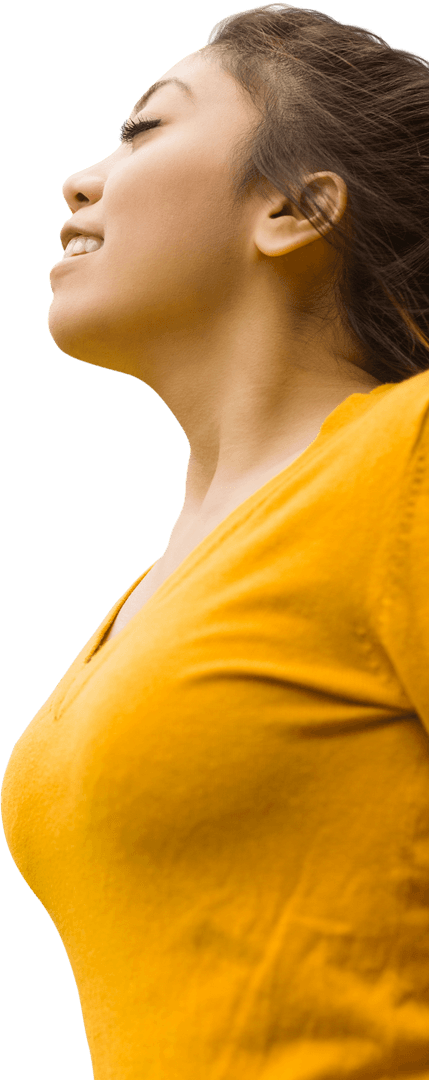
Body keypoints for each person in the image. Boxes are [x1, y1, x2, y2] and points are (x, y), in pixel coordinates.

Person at [2, 5, 429, 1078]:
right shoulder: (163, 581)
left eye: (144, 129)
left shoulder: (410, 456)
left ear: (295, 207)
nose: (79, 181)